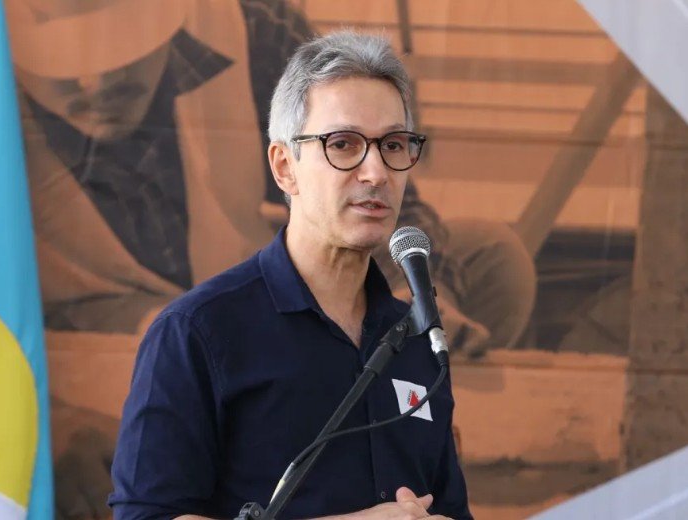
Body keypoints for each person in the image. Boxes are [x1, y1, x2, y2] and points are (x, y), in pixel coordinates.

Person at [109, 31, 472, 520]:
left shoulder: (417, 342)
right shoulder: (197, 332)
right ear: (285, 167)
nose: (376, 173)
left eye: (393, 144)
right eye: (343, 144)